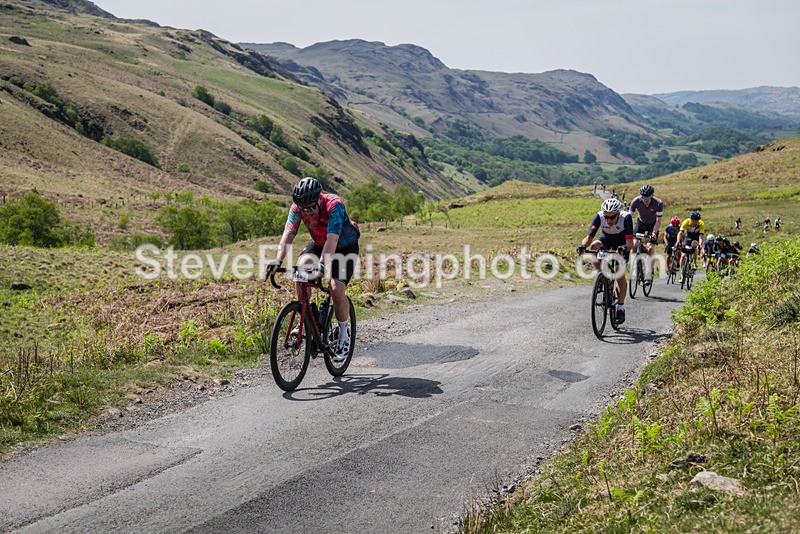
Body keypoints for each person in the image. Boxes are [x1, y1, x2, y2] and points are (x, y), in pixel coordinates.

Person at [266, 177, 360, 361]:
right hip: (319, 242)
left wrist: (323, 264)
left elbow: (332, 240)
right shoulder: (298, 207)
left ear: (319, 199)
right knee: (301, 268)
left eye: (310, 208)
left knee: (336, 288)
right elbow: (288, 235)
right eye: (303, 209)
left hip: (344, 245)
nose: (307, 212)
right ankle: (306, 316)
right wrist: (277, 260)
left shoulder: (334, 205)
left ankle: (343, 335)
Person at [579, 197, 634, 324]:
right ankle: (602, 276)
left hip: (622, 243)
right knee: (594, 247)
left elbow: (630, 243)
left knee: (619, 274)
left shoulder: (626, 218)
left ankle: (620, 308)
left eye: (612, 217)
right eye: (606, 217)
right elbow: (589, 238)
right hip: (606, 239)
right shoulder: (599, 216)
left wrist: (624, 248)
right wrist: (582, 247)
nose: (608, 220)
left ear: (618, 214)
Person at [628, 184, 664, 282]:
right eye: (643, 197)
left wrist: (654, 232)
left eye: (647, 197)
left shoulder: (658, 203)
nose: (645, 199)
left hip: (653, 225)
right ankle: (634, 268)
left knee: (650, 248)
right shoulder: (636, 201)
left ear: (652, 195)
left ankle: (649, 272)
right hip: (641, 224)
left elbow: (658, 220)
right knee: (634, 245)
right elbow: (628, 217)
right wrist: (628, 230)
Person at [677, 211, 705, 283]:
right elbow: (680, 233)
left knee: (694, 245)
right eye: (693, 220)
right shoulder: (686, 222)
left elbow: (701, 236)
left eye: (696, 220)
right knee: (683, 255)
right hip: (688, 237)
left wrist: (700, 244)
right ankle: (682, 273)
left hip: (696, 237)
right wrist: (678, 242)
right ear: (691, 219)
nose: (695, 222)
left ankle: (694, 263)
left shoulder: (701, 224)